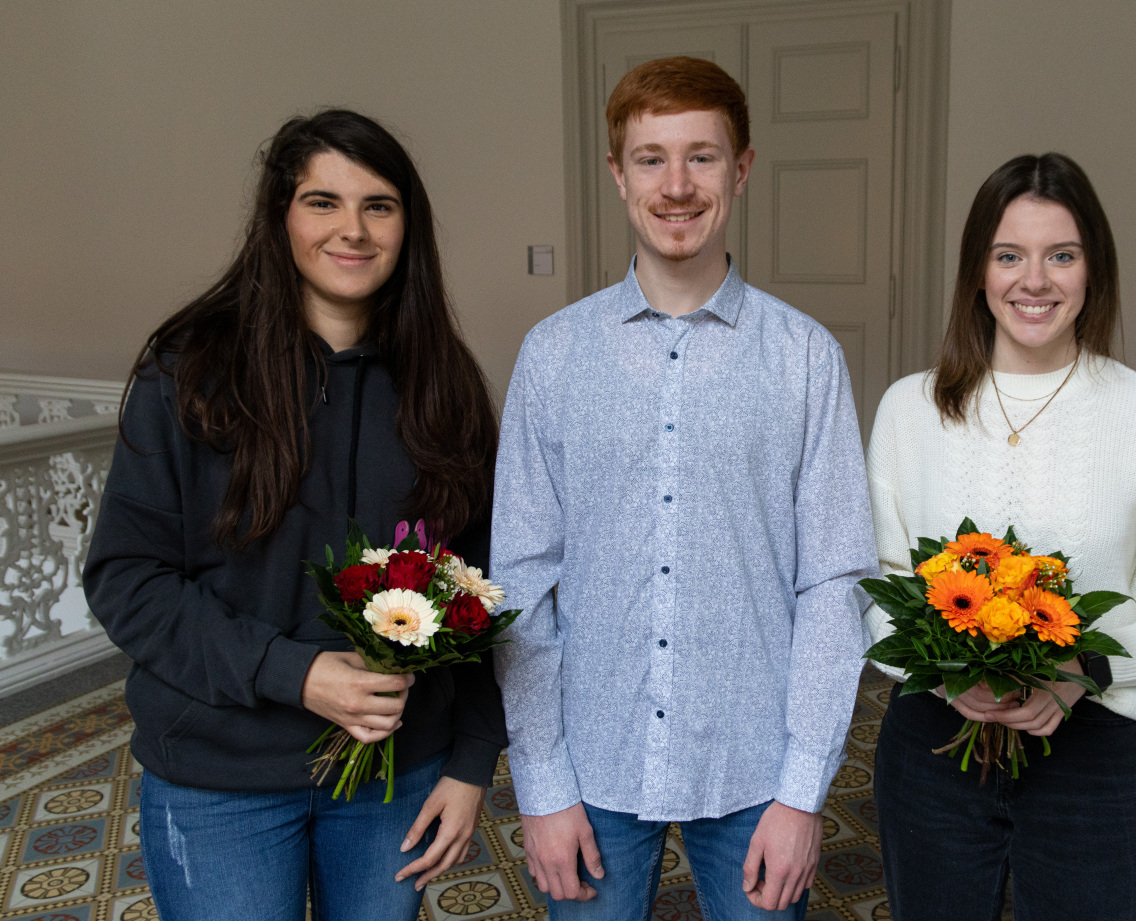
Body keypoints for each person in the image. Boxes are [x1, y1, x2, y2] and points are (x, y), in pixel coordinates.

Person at [83, 109, 506, 921]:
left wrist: (472, 761)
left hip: (396, 776)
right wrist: (296, 673)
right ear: (279, 216)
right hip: (221, 777)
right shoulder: (190, 372)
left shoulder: (444, 387)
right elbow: (126, 577)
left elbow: (481, 588)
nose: (352, 229)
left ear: (407, 225)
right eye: (322, 201)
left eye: (378, 205)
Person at [490, 57, 877, 920]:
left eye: (701, 156)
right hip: (592, 763)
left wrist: (805, 789)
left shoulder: (806, 357)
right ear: (617, 173)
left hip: (755, 769)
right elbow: (521, 579)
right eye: (651, 157)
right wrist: (543, 783)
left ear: (740, 170)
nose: (676, 185)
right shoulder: (553, 354)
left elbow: (834, 582)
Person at [865, 153, 1136, 921]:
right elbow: (874, 589)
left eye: (1061, 256)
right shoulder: (909, 410)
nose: (1033, 281)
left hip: (1093, 759)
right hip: (934, 751)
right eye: (1009, 255)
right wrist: (946, 676)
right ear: (979, 271)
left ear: (1093, 270)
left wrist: (1084, 667)